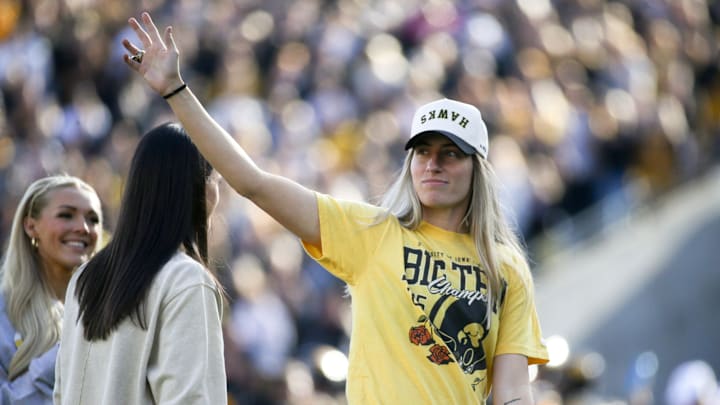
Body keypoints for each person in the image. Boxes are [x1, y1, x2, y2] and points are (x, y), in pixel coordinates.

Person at [124, 12, 549, 404]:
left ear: (477, 169)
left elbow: (512, 390)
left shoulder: (505, 267)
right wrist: (176, 91)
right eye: (422, 152)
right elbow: (254, 183)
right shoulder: (371, 232)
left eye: (450, 153)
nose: (432, 163)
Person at [53, 123, 227, 404]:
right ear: (198, 187)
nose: (219, 193)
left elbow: (61, 394)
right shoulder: (186, 280)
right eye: (217, 180)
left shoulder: (85, 278)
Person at [0, 174, 103, 404]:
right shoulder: (3, 312)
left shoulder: (108, 310)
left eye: (93, 219)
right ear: (30, 226)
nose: (83, 228)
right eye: (66, 215)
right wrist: (68, 348)